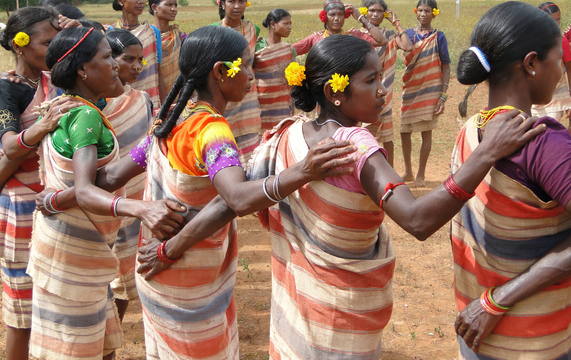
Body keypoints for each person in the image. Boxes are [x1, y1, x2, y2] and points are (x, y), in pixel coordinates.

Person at [138, 34, 544, 359]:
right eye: (370, 81)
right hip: (341, 321)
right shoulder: (354, 147)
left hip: (293, 314)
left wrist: (170, 248)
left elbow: (230, 200)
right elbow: (418, 220)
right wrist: (486, 154)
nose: (383, 90)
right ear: (335, 93)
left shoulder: (286, 135)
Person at [130, 25, 356, 359]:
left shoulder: (169, 120)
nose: (251, 75)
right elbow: (235, 198)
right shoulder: (211, 131)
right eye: (245, 65)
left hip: (158, 272)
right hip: (187, 276)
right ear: (221, 72)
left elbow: (111, 176)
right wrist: (302, 171)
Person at [26, 27, 185, 360]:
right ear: (83, 69)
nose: (115, 65)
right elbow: (84, 190)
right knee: (76, 347)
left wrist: (158, 137)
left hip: (63, 248)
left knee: (88, 342)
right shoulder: (85, 115)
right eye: (106, 57)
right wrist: (142, 210)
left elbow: (105, 177)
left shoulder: (63, 107)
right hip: (73, 255)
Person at [451, 1, 571, 359]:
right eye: (558, 60)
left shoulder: (471, 131)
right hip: (534, 339)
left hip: (475, 334)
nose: (562, 72)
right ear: (532, 64)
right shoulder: (542, 143)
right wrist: (497, 301)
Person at [0, 6, 80, 360]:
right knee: (23, 313)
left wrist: (76, 29)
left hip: (53, 201)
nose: (51, 50)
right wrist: (42, 126)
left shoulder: (56, 80)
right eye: (46, 42)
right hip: (21, 206)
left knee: (56, 303)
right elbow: (7, 145)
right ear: (19, 46)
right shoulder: (7, 89)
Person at [103, 29, 154, 321]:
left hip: (136, 196)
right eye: (128, 59)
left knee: (126, 270)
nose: (137, 66)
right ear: (109, 60)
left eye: (140, 60)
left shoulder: (142, 99)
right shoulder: (95, 103)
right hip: (104, 196)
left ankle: (114, 328)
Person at [401, 0, 451, 187]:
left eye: (427, 11)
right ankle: (408, 171)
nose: (423, 14)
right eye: (420, 10)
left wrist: (443, 95)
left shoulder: (438, 36)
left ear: (434, 14)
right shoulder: (407, 34)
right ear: (416, 12)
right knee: (404, 131)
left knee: (426, 132)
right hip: (410, 88)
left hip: (431, 88)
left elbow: (446, 66)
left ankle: (421, 174)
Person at [360, 0, 413, 167]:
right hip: (363, 92)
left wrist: (396, 22)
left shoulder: (389, 35)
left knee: (387, 136)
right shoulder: (357, 34)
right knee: (364, 134)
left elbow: (408, 46)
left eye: (380, 11)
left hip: (384, 91)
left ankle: (389, 169)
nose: (375, 14)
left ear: (385, 14)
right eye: (372, 10)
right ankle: (366, 170)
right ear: (364, 12)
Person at [214, 0, 261, 164]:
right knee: (225, 139)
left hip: (248, 95)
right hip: (226, 94)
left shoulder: (252, 29)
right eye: (231, 1)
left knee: (250, 146)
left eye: (242, 1)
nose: (237, 6)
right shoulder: (216, 31)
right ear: (222, 3)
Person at [112, 0, 164, 110]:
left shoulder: (152, 32)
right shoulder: (110, 32)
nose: (141, 1)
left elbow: (158, 72)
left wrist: (163, 106)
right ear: (120, 0)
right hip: (117, 99)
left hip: (149, 99)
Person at [293, 0, 388, 56]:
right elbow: (291, 51)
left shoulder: (354, 36)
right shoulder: (316, 38)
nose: (337, 18)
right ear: (324, 17)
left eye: (340, 14)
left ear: (345, 16)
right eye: (332, 14)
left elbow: (382, 41)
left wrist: (361, 18)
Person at [254, 9, 296, 135]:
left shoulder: (289, 49)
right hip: (260, 104)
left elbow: (292, 79)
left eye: (290, 24)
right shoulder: (257, 47)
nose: (289, 27)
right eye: (285, 24)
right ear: (273, 24)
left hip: (283, 104)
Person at [531, 2, 571, 127]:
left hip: (557, 96)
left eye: (558, 19)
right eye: (552, 20)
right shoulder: (529, 41)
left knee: (547, 129)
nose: (556, 23)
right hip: (534, 98)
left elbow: (569, 69)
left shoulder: (561, 40)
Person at [149, 0, 186, 95]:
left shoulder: (180, 36)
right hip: (154, 95)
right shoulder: (147, 37)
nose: (174, 9)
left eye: (175, 5)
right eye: (169, 5)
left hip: (179, 96)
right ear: (154, 7)